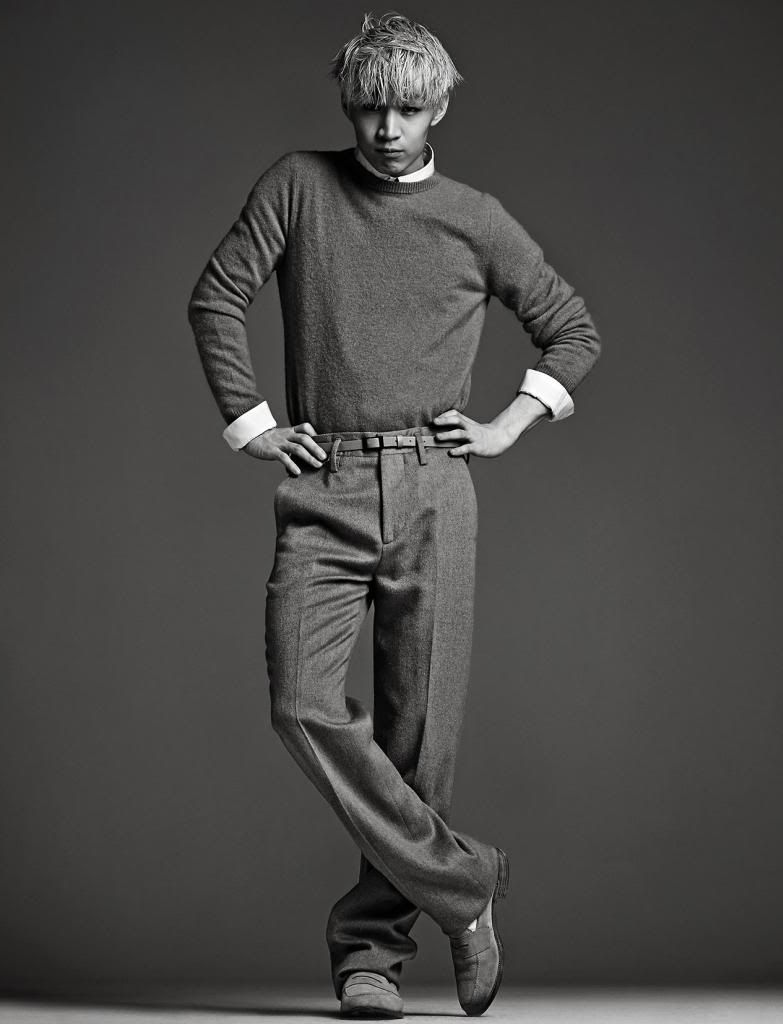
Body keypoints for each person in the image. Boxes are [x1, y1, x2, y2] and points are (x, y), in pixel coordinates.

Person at [187, 11, 601, 1019]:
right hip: (325, 481)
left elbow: (571, 329)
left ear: (439, 108)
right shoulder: (298, 186)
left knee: (418, 744)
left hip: (433, 491)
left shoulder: (474, 218)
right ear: (347, 103)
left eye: (407, 110)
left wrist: (506, 424)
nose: (385, 129)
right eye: (369, 107)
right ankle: (465, 887)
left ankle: (369, 953)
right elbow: (217, 296)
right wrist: (252, 424)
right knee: (300, 702)